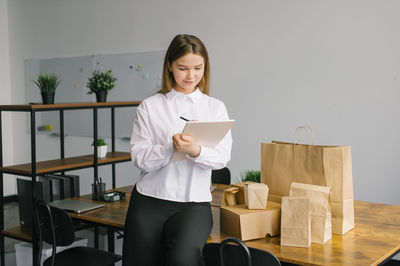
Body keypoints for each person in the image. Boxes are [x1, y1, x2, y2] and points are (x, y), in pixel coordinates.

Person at [122, 34, 232, 266]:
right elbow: (139, 157)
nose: (191, 76)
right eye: (183, 68)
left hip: (194, 204)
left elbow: (222, 158)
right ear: (170, 66)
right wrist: (169, 148)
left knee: (183, 260)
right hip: (149, 201)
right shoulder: (150, 106)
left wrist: (196, 150)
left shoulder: (215, 108)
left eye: (198, 68)